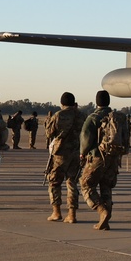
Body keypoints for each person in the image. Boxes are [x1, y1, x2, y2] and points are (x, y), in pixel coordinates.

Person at [79, 91, 128, 230]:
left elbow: (85, 137)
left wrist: (82, 153)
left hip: (97, 157)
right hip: (113, 157)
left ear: (96, 102)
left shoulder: (94, 117)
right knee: (106, 186)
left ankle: (101, 211)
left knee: (86, 185)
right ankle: (106, 219)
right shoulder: (117, 117)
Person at [44, 92, 85, 223]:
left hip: (60, 153)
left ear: (62, 104)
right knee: (72, 182)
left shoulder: (59, 115)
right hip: (77, 152)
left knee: (54, 181)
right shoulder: (82, 115)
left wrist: (48, 121)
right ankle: (72, 214)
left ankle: (56, 212)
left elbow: (49, 133)